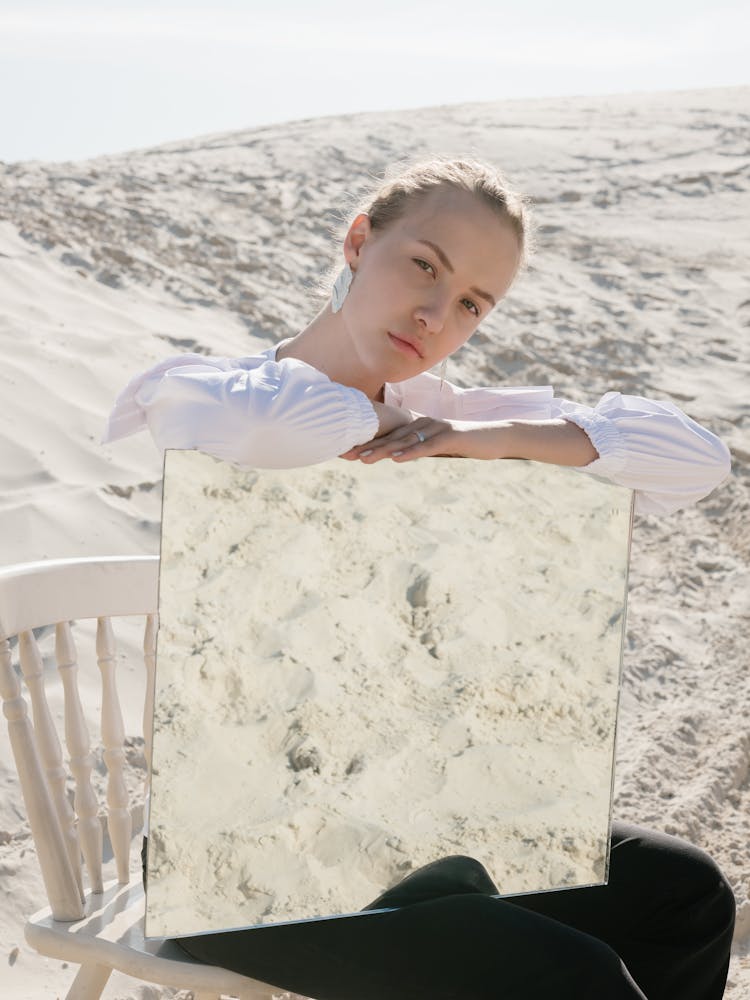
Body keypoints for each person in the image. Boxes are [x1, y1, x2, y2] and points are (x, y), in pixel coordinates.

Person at [105, 157, 736, 999]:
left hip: (425, 822)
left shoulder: (456, 421)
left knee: (684, 894)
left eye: (473, 302)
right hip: (241, 853)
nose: (438, 314)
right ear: (359, 241)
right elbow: (280, 424)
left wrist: (493, 434)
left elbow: (695, 464)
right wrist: (394, 418)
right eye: (424, 266)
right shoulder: (217, 391)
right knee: (573, 974)